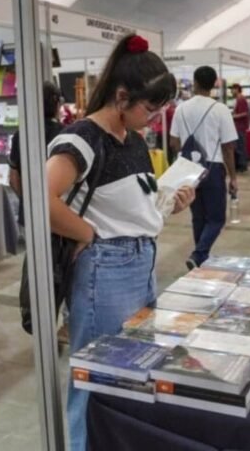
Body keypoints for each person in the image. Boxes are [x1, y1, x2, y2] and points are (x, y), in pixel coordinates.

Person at [46, 34, 195, 451]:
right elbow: (43, 199)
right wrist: (86, 233)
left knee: (129, 369)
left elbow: (130, 208)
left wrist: (170, 206)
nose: (154, 117)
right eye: (150, 108)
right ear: (122, 95)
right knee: (95, 378)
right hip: (106, 269)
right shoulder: (83, 137)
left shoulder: (130, 139)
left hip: (137, 262)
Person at [9, 81, 68, 343]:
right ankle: (66, 322)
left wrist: (30, 202)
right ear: (57, 104)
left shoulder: (22, 134)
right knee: (66, 265)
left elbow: (14, 178)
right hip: (63, 213)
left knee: (36, 266)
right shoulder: (67, 134)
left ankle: (40, 320)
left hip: (31, 214)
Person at [170, 65, 238, 269]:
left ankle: (199, 257)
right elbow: (228, 147)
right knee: (216, 218)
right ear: (215, 84)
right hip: (213, 167)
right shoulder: (221, 109)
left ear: (195, 82)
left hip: (189, 168)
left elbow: (174, 142)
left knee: (198, 216)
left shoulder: (181, 108)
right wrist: (233, 177)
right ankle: (199, 255)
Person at [231, 83, 250, 172]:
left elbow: (245, 113)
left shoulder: (241, 99)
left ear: (237, 89)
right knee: (238, 146)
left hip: (240, 126)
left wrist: (233, 116)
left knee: (240, 146)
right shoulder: (239, 99)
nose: (231, 91)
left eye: (233, 89)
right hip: (238, 126)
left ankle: (242, 165)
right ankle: (240, 165)